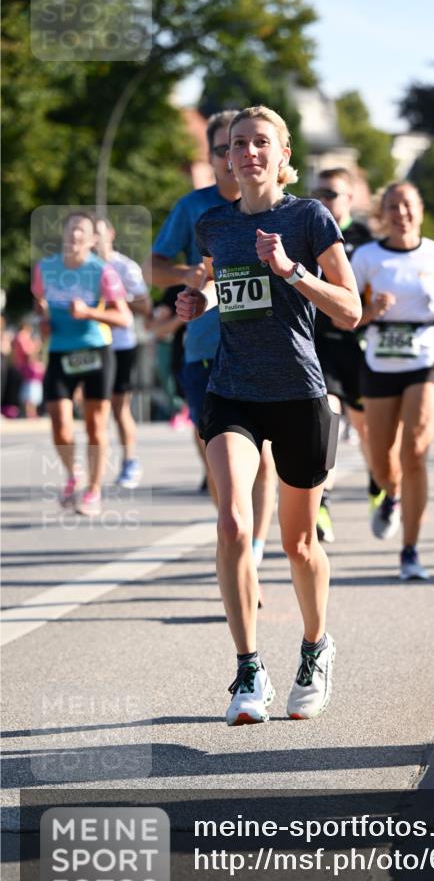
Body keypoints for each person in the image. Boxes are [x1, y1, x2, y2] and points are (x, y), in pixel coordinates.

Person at [176, 104, 361, 725]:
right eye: (239, 144)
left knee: (298, 542)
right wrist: (197, 299)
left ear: (283, 157)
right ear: (226, 158)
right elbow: (215, 282)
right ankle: (248, 668)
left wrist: (291, 271)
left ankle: (315, 646)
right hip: (232, 391)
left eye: (262, 143)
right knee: (232, 524)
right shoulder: (213, 225)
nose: (249, 152)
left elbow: (350, 309)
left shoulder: (309, 217)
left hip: (299, 394)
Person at [145, 111, 276, 564]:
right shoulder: (193, 208)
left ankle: (253, 549)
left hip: (263, 351)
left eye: (242, 144)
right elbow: (154, 267)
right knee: (220, 461)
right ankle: (234, 529)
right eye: (224, 148)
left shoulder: (277, 206)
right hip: (204, 350)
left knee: (265, 456)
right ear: (213, 154)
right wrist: (193, 273)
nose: (235, 155)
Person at [352, 182, 434, 580]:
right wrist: (370, 310)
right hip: (379, 361)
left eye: (407, 204)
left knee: (415, 450)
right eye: (392, 206)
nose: (401, 212)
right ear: (382, 213)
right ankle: (391, 494)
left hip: (425, 358)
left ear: (420, 210)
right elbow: (344, 314)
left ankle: (410, 550)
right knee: (382, 459)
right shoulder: (367, 256)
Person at [32, 212, 132, 515]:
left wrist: (90, 314)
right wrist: (43, 321)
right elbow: (40, 303)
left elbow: (124, 318)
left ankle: (94, 490)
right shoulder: (44, 269)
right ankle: (74, 475)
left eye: (82, 231)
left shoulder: (103, 272)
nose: (75, 235)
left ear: (91, 240)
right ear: (64, 235)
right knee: (60, 424)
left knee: (95, 426)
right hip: (61, 351)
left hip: (96, 351)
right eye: (71, 229)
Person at [313, 167, 374, 543]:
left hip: (360, 345)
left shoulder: (366, 240)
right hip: (322, 344)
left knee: (369, 430)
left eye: (332, 194)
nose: (324, 200)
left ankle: (381, 484)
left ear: (349, 199)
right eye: (319, 193)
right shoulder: (308, 231)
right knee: (329, 418)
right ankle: (324, 502)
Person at [95, 217, 152, 487]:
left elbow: (145, 307)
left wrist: (114, 302)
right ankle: (92, 470)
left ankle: (130, 461)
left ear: (111, 234)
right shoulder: (81, 269)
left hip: (120, 344)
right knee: (95, 409)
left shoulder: (124, 267)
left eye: (99, 234)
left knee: (119, 408)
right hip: (91, 344)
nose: (95, 240)